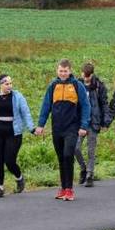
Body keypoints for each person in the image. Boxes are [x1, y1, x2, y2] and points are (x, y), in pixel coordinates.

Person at [35, 59, 91, 201]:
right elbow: (46, 106)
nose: (63, 73)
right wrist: (41, 125)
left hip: (72, 128)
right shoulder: (53, 86)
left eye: (65, 71)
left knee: (68, 155)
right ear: (57, 71)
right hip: (57, 127)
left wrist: (84, 126)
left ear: (70, 71)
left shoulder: (77, 85)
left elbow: (85, 106)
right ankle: (63, 187)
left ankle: (69, 189)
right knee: (61, 158)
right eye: (61, 71)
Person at [0, 73, 34, 198]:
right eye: (6, 84)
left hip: (13, 132)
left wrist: (32, 128)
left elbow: (25, 113)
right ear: (0, 85)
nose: (9, 86)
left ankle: (19, 177)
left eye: (10, 83)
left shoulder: (17, 97)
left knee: (9, 161)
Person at [73, 62, 111, 187]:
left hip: (94, 122)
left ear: (92, 74)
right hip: (80, 123)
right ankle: (83, 169)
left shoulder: (99, 86)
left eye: (88, 76)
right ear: (81, 73)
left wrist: (106, 121)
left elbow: (104, 104)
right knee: (75, 147)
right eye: (84, 75)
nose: (86, 78)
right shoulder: (76, 85)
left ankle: (90, 175)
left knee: (91, 150)